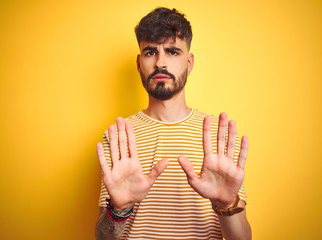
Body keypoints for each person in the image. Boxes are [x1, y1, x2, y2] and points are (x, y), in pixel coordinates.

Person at [95, 7, 252, 240]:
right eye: (150, 52)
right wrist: (118, 209)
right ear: (139, 63)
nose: (160, 63)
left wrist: (227, 202)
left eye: (172, 52)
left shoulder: (220, 139)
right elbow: (102, 237)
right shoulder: (120, 136)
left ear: (189, 62)